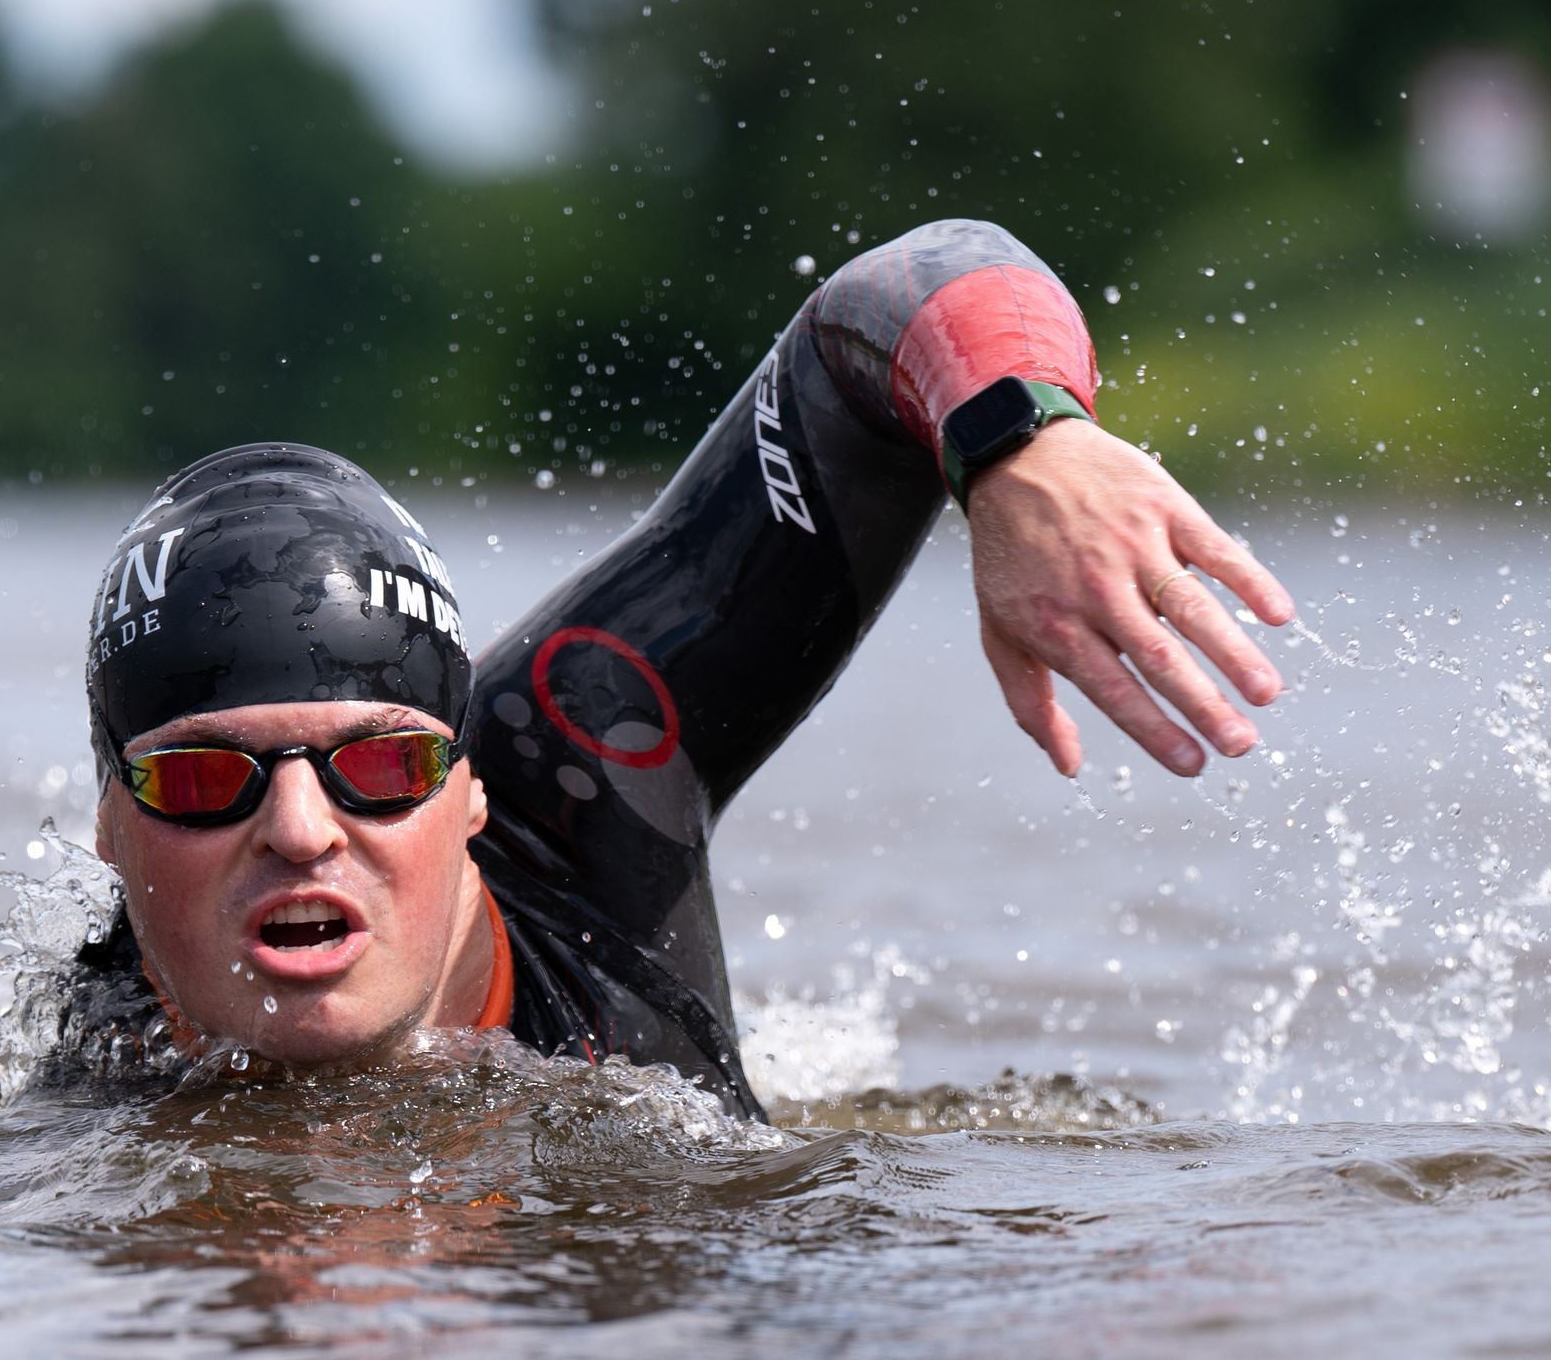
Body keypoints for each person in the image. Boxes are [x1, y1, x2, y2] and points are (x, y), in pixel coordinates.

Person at [77, 218, 1294, 1120]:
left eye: (381, 767)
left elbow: (903, 288)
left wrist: (1019, 439)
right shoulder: (90, 1080)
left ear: (471, 788)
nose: (299, 828)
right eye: (199, 784)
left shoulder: (580, 750)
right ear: (110, 833)